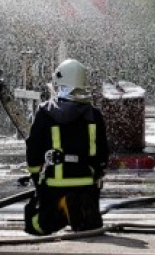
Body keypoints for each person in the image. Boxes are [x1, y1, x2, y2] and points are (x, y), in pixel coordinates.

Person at [24, 59, 110, 235]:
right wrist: (97, 174)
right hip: (87, 185)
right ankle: (82, 213)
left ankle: (63, 209)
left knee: (34, 224)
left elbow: (33, 152)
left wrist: (37, 179)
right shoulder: (94, 115)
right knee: (92, 228)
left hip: (54, 184)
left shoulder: (44, 112)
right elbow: (103, 154)